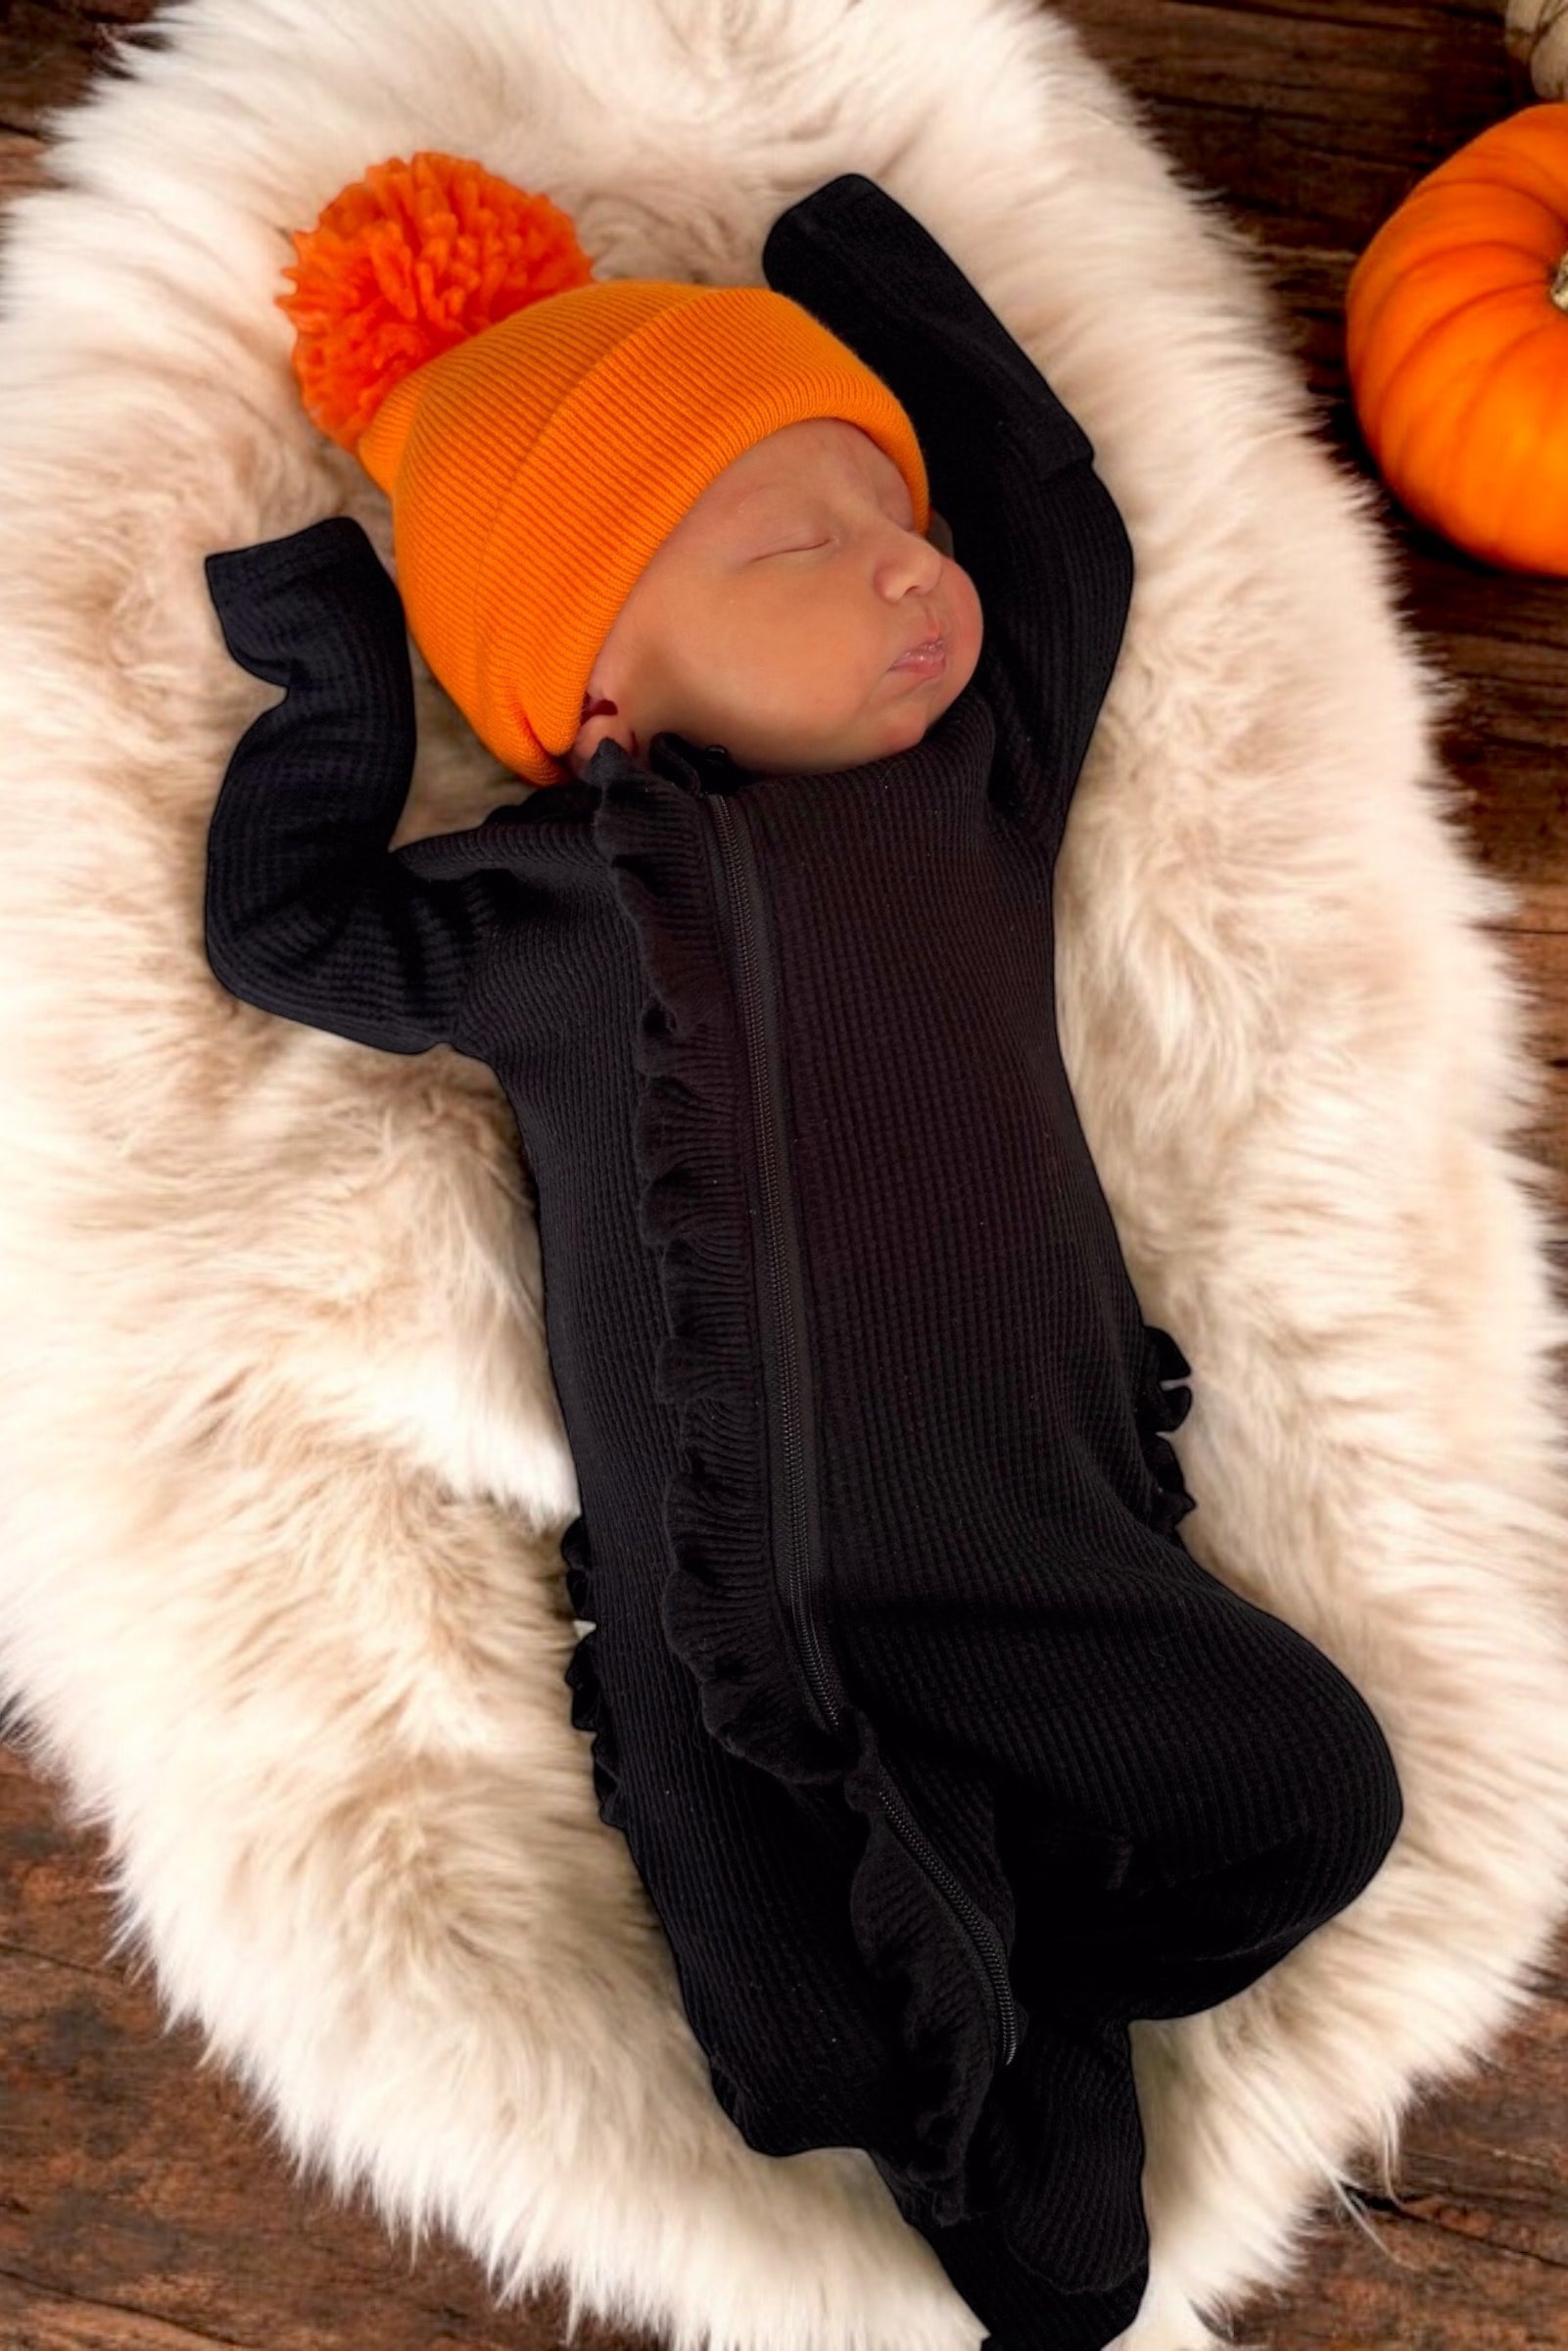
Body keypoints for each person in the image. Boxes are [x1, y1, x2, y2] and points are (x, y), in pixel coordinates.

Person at [203, 156, 1404, 2349]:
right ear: (594, 697)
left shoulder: (971, 792)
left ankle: (1035, 1989)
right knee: (794, 2056)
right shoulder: (551, 908)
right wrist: (334, 672)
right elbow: (289, 933)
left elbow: (1061, 541)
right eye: (798, 545)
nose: (902, 577)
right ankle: (993, 2087)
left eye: (896, 523)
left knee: (1313, 1801)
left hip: (1045, 1547)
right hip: (730, 1619)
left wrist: (854, 250)